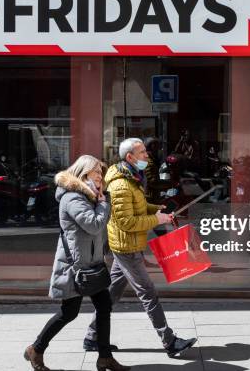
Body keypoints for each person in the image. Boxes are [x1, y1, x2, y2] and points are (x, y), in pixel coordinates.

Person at [83, 138, 197, 358]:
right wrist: (158, 219)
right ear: (130, 157)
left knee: (112, 293)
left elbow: (139, 206)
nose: (147, 156)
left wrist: (158, 208)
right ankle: (170, 341)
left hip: (126, 245)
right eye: (143, 152)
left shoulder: (131, 177)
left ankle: (92, 336)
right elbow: (127, 222)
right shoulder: (121, 185)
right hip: (127, 247)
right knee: (148, 294)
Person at [24, 155, 130, 371]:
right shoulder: (73, 198)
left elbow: (97, 232)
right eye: (97, 172)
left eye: (101, 173)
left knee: (104, 306)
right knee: (68, 313)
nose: (101, 176)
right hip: (75, 267)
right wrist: (103, 203)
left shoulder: (89, 196)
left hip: (91, 264)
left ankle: (105, 357)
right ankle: (36, 348)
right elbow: (93, 225)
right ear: (84, 173)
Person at [143, 137, 171, 204]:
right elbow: (153, 182)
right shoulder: (148, 162)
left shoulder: (148, 160)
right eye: (156, 148)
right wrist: (170, 183)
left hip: (149, 196)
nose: (158, 150)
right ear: (150, 148)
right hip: (149, 198)